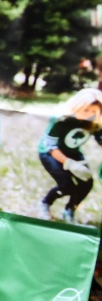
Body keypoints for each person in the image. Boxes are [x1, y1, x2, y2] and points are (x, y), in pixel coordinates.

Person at [38, 88, 102, 222]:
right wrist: (69, 164)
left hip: (73, 152)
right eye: (86, 110)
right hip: (51, 153)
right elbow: (51, 147)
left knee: (87, 183)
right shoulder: (61, 118)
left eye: (94, 112)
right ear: (77, 105)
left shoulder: (94, 121)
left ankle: (70, 209)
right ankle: (45, 203)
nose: (89, 114)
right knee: (66, 185)